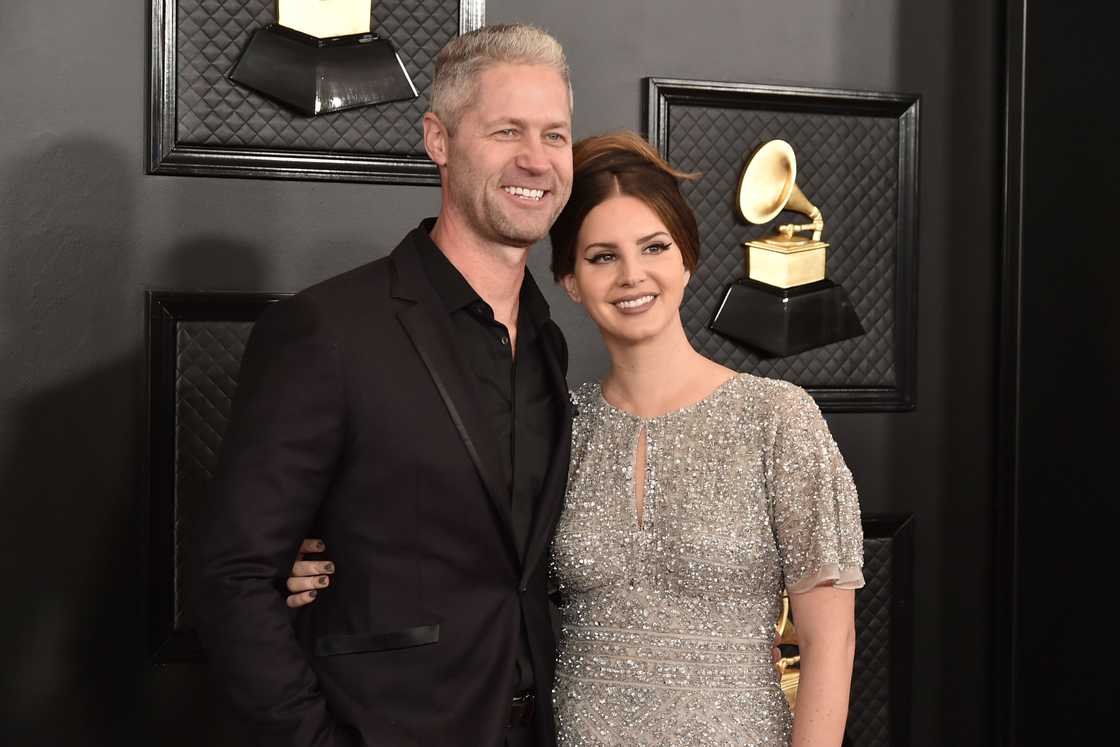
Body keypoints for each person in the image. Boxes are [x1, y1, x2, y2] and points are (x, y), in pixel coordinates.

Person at [288, 131, 865, 746]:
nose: (632, 275)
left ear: (687, 259)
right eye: (602, 256)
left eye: (654, 247)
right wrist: (324, 565)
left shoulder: (777, 418)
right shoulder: (557, 422)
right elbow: (454, 553)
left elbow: (830, 638)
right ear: (568, 279)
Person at [191, 24, 575, 747]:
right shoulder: (327, 329)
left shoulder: (551, 344)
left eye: (555, 135)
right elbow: (235, 576)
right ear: (439, 140)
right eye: (507, 130)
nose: (537, 158)